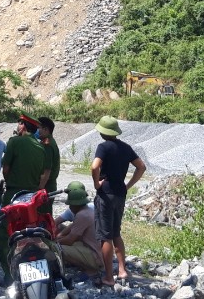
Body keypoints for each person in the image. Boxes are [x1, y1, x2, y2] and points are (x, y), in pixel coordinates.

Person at [90, 116, 146, 286]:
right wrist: (128, 185)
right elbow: (141, 167)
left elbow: (94, 166)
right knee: (116, 233)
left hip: (105, 194)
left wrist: (96, 184)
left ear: (102, 132)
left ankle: (108, 277)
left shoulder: (103, 147)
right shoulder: (126, 148)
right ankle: (122, 270)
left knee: (105, 236)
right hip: (120, 194)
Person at [0, 113, 52, 284]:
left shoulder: (14, 142)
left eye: (19, 123)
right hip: (32, 197)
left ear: (23, 126)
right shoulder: (41, 147)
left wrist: (11, 179)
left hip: (14, 195)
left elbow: (5, 169)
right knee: (30, 232)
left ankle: (9, 275)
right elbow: (44, 174)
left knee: (6, 233)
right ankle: (33, 270)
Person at [54, 181, 102, 276]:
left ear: (73, 205)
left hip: (96, 256)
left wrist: (54, 242)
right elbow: (73, 227)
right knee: (65, 242)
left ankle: (91, 268)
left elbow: (69, 240)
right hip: (98, 250)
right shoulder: (87, 210)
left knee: (57, 249)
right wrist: (60, 236)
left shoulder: (82, 215)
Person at [38, 117, 62, 214]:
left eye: (38, 128)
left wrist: (39, 189)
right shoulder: (49, 142)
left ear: (46, 129)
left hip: (46, 186)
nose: (36, 130)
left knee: (43, 215)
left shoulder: (47, 145)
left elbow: (46, 171)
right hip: (48, 185)